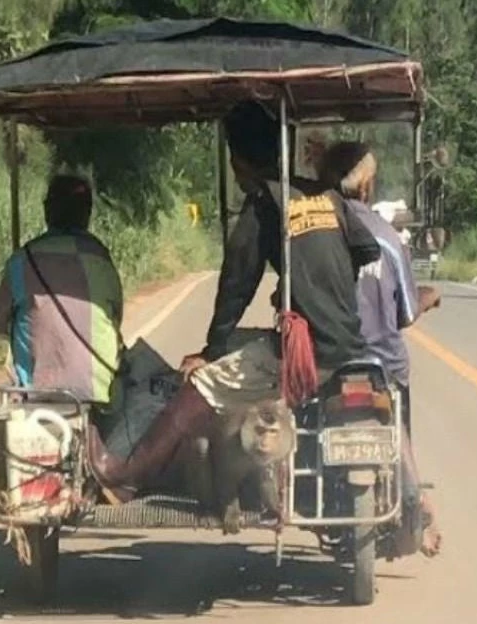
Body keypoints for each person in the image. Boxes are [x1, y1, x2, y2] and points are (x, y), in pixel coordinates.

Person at [88, 101, 381, 502]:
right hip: (347, 342)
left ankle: (127, 475)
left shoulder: (264, 202)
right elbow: (367, 249)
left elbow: (237, 285)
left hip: (305, 352)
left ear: (236, 160)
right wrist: (317, 285)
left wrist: (212, 350)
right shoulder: (323, 194)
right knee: (246, 348)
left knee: (204, 385)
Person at [320, 140, 442, 557]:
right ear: (367, 185)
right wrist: (428, 296)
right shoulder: (388, 239)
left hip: (327, 361)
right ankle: (417, 501)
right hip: (382, 364)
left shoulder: (312, 235)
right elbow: (405, 313)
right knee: (399, 428)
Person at [0, 174, 124, 406]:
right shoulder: (100, 259)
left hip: (34, 393)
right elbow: (115, 315)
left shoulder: (22, 260)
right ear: (87, 213)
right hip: (98, 393)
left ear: (48, 210)